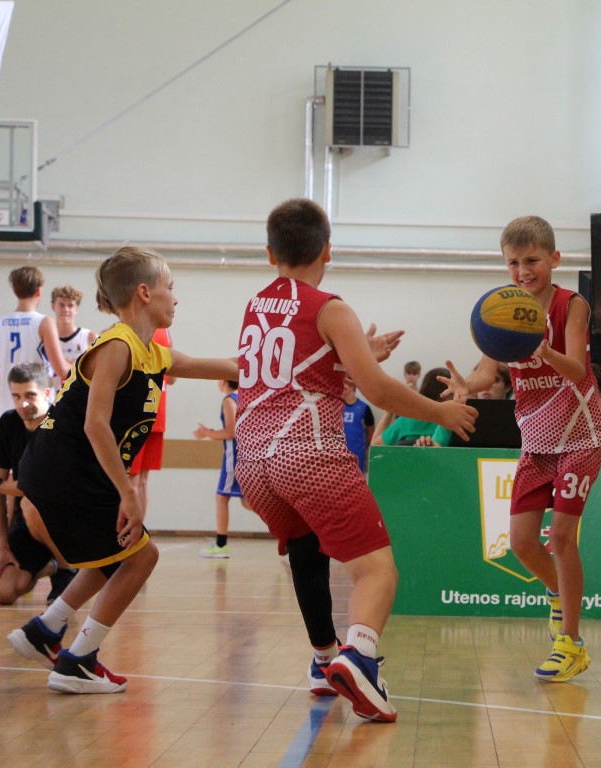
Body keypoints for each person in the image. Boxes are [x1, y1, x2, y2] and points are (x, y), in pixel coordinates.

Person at [233, 198, 476, 722]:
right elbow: (378, 391)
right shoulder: (330, 308)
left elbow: (291, 372)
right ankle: (360, 656)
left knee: (305, 548)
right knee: (376, 571)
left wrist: (355, 351)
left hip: (251, 461)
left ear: (269, 253)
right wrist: (442, 412)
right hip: (307, 454)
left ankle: (324, 660)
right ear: (328, 250)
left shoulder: (256, 306)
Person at [6, 246, 237, 694]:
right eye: (171, 287)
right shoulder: (117, 346)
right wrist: (128, 493)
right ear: (145, 293)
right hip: (64, 470)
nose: (176, 297)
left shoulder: (153, 353)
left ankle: (46, 630)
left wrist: (315, 360)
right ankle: (78, 661)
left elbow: (228, 366)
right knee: (141, 557)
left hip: (70, 471)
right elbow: (95, 424)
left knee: (115, 552)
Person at [443, 215, 601, 684]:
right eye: (513, 263)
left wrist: (542, 350)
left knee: (561, 538)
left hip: (580, 438)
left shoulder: (571, 304)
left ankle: (571, 644)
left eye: (532, 260)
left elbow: (577, 370)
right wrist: (467, 385)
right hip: (536, 444)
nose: (522, 271)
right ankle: (559, 595)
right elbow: (487, 371)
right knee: (519, 542)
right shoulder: (503, 309)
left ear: (554, 259)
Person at [0, 362, 74, 605]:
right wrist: (3, 548)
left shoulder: (62, 424)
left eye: (30, 395)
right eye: (16, 397)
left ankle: (67, 569)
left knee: (31, 503)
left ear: (47, 393)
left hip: (67, 522)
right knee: (2, 592)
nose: (23, 404)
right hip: (28, 525)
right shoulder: (8, 423)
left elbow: (41, 487)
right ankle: (50, 566)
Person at [0, 265, 71, 419]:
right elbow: (62, 370)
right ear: (39, 291)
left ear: (15, 291)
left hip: (7, 412)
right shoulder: (44, 322)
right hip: (37, 409)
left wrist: (14, 377)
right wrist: (82, 366)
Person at [193, 379, 243, 558]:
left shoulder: (229, 400)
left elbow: (231, 432)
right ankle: (287, 531)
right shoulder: (241, 397)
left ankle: (221, 545)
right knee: (247, 502)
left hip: (233, 456)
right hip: (242, 455)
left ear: (224, 381)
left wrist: (206, 433)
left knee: (221, 497)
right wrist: (211, 432)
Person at [128, 327, 174, 513]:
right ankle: (138, 528)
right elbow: (172, 378)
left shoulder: (133, 328)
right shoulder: (166, 332)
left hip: (137, 415)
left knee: (133, 479)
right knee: (142, 480)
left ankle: (132, 529)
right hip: (158, 412)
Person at [371, 368, 452, 447]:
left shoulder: (405, 421)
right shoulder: (451, 420)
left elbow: (375, 446)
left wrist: (389, 411)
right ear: (447, 394)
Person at [50, 285, 98, 378]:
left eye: (70, 305)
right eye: (61, 305)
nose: (66, 309)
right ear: (53, 306)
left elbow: (98, 371)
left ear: (77, 309)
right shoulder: (46, 338)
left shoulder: (90, 337)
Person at [341, 377, 375, 473]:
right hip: (339, 451)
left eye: (347, 382)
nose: (344, 385)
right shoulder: (336, 407)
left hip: (358, 451)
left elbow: (371, 431)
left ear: (353, 385)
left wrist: (365, 446)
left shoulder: (364, 408)